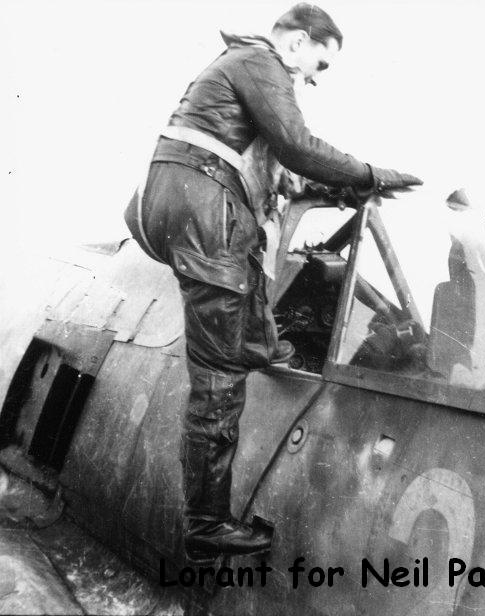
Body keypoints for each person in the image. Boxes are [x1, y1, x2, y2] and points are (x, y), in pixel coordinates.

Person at [124, 3, 422, 563]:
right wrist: (369, 174)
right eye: (320, 64)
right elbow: (298, 146)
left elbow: (284, 171)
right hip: (204, 210)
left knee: (243, 316)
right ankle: (206, 524)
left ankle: (263, 346)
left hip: (182, 205)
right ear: (296, 42)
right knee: (219, 371)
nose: (315, 77)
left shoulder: (238, 74)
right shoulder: (262, 64)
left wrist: (342, 188)